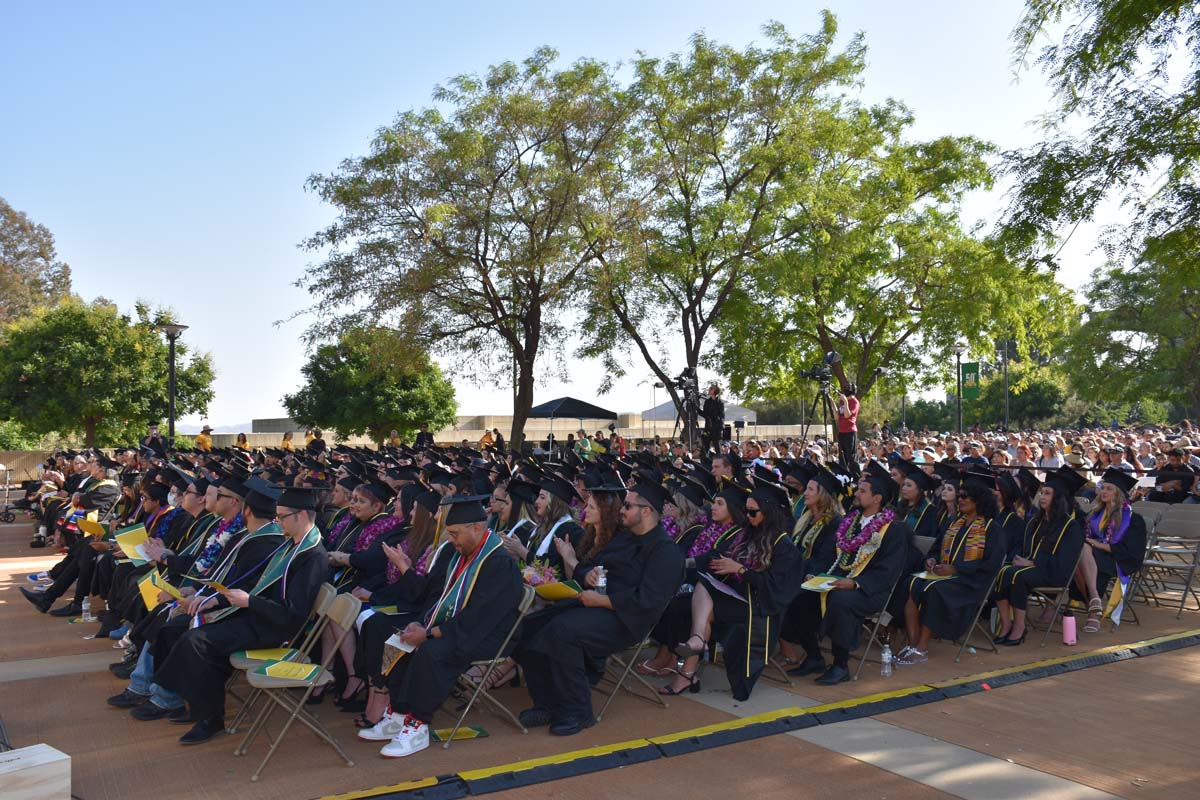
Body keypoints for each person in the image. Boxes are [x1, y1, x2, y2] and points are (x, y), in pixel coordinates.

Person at [153, 480, 328, 744]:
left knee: (197, 641)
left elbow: (293, 613)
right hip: (258, 614)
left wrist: (248, 602)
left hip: (275, 628)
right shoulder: (290, 544)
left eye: (282, 517)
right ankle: (194, 702)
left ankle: (210, 718)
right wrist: (219, 601)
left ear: (302, 515)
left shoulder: (312, 556)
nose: (277, 521)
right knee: (180, 629)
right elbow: (256, 585)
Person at [356, 496, 522, 758]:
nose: (452, 540)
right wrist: (420, 623)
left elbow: (479, 617)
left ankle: (417, 723)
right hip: (459, 627)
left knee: (430, 652)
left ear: (477, 528)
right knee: (398, 639)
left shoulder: (498, 562)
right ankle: (397, 713)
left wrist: (430, 633)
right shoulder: (460, 557)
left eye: (456, 533)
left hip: (488, 635)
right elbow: (438, 600)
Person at [515, 480, 683, 735]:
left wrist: (602, 600)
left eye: (627, 505)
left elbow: (648, 601)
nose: (621, 510)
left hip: (627, 621)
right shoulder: (623, 538)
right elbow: (584, 566)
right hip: (593, 606)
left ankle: (577, 712)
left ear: (646, 511)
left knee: (564, 631)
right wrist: (588, 575)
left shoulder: (666, 552)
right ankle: (547, 703)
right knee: (527, 628)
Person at [665, 481, 801, 699]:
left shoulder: (785, 547)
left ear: (769, 512)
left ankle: (689, 668)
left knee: (699, 606)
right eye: (746, 511)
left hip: (759, 608)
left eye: (753, 512)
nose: (748, 516)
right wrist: (723, 565)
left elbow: (777, 589)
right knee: (688, 598)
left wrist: (740, 570)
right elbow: (720, 559)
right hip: (737, 597)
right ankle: (693, 654)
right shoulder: (748, 534)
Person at [785, 469, 909, 685]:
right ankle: (813, 656)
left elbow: (888, 571)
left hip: (871, 590)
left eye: (862, 491)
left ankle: (840, 665)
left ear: (877, 498)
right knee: (799, 595)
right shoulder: (852, 522)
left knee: (841, 601)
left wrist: (854, 583)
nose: (856, 494)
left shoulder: (893, 530)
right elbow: (841, 559)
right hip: (839, 581)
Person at [895, 472, 1004, 665]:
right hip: (945, 576)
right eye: (959, 496)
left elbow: (990, 563)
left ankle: (922, 648)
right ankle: (913, 644)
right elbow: (936, 548)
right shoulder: (953, 522)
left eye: (964, 496)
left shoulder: (990, 528)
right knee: (910, 583)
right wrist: (931, 560)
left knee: (934, 591)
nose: (960, 500)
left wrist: (956, 569)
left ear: (978, 500)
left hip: (972, 582)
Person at [992, 466, 1086, 646]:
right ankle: (1006, 624)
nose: (1042, 497)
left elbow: (1065, 561)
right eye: (1041, 493)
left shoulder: (1070, 526)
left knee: (1017, 576)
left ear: (1057, 498)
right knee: (1001, 572)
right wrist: (1023, 560)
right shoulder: (1035, 521)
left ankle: (1019, 627)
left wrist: (1032, 562)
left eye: (1047, 493)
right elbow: (1025, 549)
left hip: (1053, 573)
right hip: (1033, 569)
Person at [1074, 468, 1147, 632]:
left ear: (1119, 493)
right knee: (1080, 555)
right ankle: (1094, 603)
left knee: (1086, 554)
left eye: (1109, 489)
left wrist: (1097, 545)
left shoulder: (1133, 519)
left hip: (1118, 559)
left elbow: (1131, 550)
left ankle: (1093, 607)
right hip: (1091, 556)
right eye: (1103, 488)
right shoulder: (1095, 514)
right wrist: (1092, 545)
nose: (1103, 491)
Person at [835, 385, 860, 474]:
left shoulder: (854, 402)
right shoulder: (843, 402)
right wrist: (831, 402)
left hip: (850, 431)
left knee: (851, 456)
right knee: (842, 456)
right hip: (842, 432)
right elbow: (837, 416)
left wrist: (845, 402)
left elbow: (847, 415)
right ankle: (843, 475)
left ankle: (856, 476)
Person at [702, 383, 725, 452]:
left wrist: (720, 429)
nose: (709, 390)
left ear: (716, 390)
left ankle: (719, 461)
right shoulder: (707, 402)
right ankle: (706, 462)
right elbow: (705, 414)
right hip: (708, 428)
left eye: (711, 388)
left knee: (717, 447)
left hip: (716, 428)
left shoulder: (720, 402)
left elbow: (721, 417)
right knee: (705, 447)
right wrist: (696, 409)